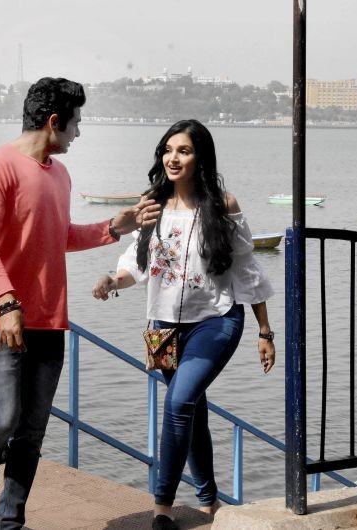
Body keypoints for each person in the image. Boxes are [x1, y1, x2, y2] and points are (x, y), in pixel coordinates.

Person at [0, 77, 162, 530]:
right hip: (1, 314)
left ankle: (10, 520)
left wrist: (114, 226)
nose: (78, 133)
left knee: (31, 431)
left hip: (49, 317)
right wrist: (7, 301)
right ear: (54, 122)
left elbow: (60, 236)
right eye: (76, 123)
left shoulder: (60, 175)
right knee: (2, 418)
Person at [91, 119, 276, 530]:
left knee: (178, 405)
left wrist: (264, 332)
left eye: (184, 151)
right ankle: (209, 501)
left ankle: (162, 510)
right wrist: (111, 281)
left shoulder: (222, 204)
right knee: (192, 410)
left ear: (200, 158)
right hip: (164, 328)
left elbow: (247, 270)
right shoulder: (151, 204)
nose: (173, 158)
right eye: (168, 150)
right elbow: (136, 264)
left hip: (217, 320)